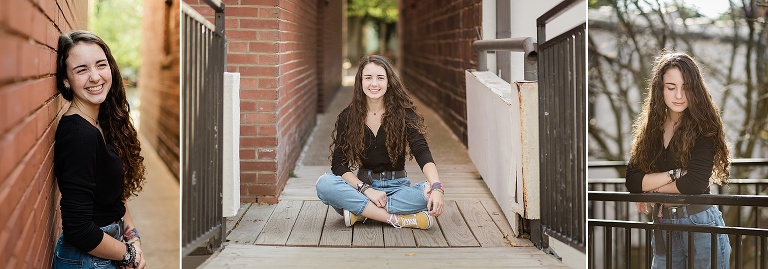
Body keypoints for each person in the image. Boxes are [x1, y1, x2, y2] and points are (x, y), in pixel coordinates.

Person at [625, 51, 731, 268]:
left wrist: (652, 190)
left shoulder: (705, 126)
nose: (679, 95)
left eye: (686, 87)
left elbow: (695, 183)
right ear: (660, 89)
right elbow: (633, 180)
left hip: (701, 224)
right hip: (664, 225)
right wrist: (675, 174)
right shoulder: (651, 129)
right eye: (671, 87)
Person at [315, 55, 444, 229]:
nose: (374, 84)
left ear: (389, 82)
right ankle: (396, 219)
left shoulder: (404, 113)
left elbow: (421, 151)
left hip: (398, 189)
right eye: (368, 78)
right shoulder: (348, 117)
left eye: (380, 78)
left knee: (428, 193)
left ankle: (361, 213)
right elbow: (339, 165)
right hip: (362, 189)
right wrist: (366, 190)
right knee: (325, 184)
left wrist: (437, 187)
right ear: (360, 82)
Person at [52, 30, 147, 269]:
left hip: (108, 247)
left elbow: (115, 197)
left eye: (100, 65)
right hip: (88, 259)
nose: (95, 77)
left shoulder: (101, 121)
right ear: (66, 80)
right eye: (81, 70)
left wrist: (133, 239)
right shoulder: (78, 134)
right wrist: (128, 255)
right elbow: (79, 228)